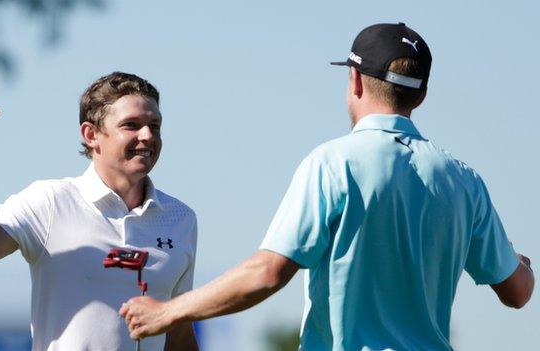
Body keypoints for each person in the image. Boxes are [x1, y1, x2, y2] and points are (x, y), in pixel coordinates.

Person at [120, 23, 535, 350]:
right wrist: (521, 266)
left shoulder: (332, 164)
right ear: (421, 95)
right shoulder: (464, 180)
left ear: (355, 81)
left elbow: (267, 273)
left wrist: (168, 313)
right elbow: (517, 293)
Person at [0, 72, 199, 351]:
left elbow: (178, 333)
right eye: (131, 125)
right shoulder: (49, 202)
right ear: (91, 135)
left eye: (155, 125)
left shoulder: (181, 219)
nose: (147, 136)